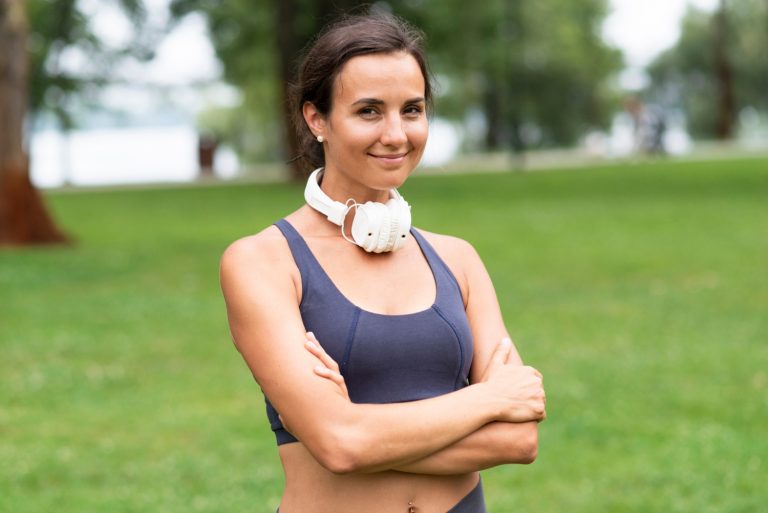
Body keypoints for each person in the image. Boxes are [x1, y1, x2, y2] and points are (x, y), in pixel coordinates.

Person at [220, 12, 546, 513]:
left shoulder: (458, 258)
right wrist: (488, 400)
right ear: (317, 119)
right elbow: (340, 445)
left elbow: (518, 439)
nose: (396, 134)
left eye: (411, 110)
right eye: (369, 111)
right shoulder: (262, 262)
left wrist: (363, 431)